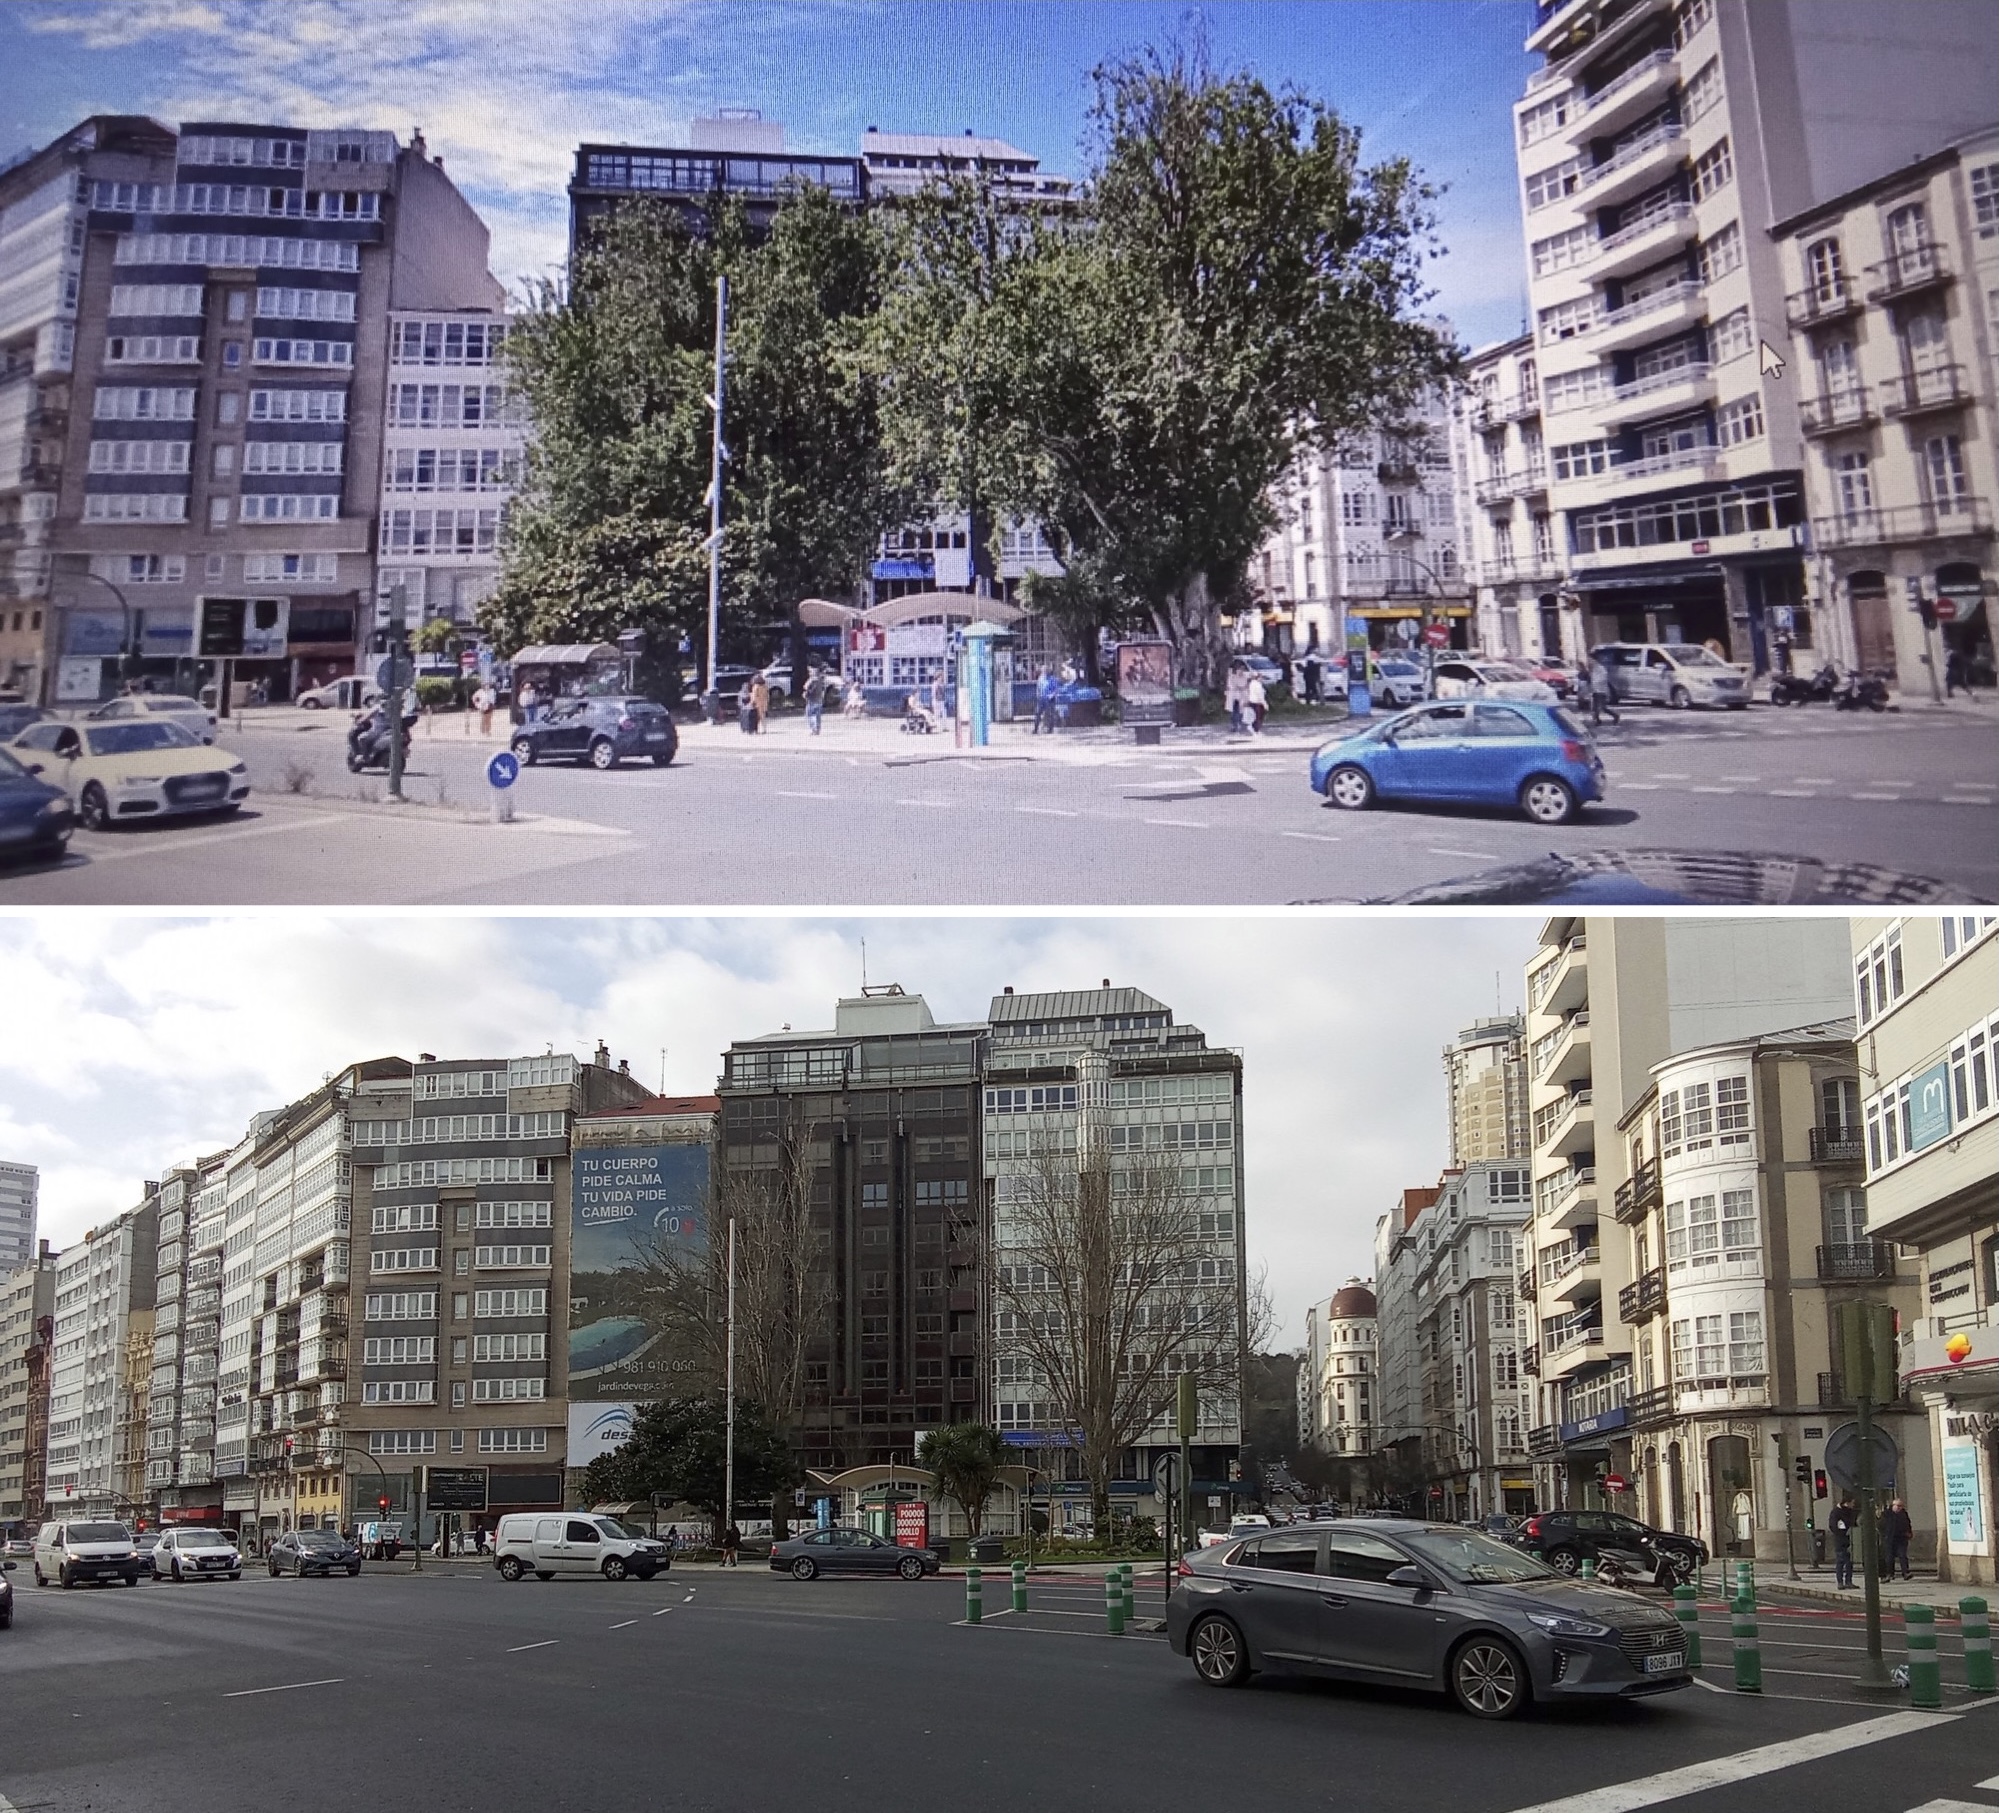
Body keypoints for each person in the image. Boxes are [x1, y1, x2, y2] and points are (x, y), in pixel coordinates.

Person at [1829, 1495, 1858, 1588]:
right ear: (1847, 1502)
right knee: (1841, 1560)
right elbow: (1833, 1526)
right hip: (1840, 1539)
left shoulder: (1851, 1512)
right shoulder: (1836, 1512)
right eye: (1852, 1503)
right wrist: (1841, 1532)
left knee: (1849, 1562)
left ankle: (1848, 1581)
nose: (1853, 1505)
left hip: (1850, 1539)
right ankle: (1840, 1581)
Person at [1881, 1497, 1914, 1580]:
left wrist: (1909, 1533)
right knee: (1889, 1557)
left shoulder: (1903, 1514)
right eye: (1897, 1506)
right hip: (1890, 1538)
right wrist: (1885, 1535)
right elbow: (1881, 1525)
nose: (1899, 1508)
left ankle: (1905, 1572)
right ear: (1893, 1506)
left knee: (1902, 1555)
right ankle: (1890, 1573)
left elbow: (1908, 1524)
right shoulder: (1887, 1514)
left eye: (1901, 1506)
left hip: (1901, 1538)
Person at [1586, 651, 1621, 727]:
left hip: (1601, 690)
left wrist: (1595, 684)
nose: (1589, 661)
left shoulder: (1600, 668)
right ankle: (1597, 721)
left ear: (1594, 659)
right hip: (1595, 690)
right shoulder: (1593, 669)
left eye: (1590, 659)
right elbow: (1592, 679)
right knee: (1594, 707)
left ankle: (1615, 715)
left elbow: (1603, 679)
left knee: (1602, 707)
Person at [1033, 665, 1060, 735]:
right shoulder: (1040, 678)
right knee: (1037, 713)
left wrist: (1051, 696)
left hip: (1050, 699)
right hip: (1041, 699)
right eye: (1043, 670)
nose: (1044, 672)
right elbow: (1038, 688)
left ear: (1048, 671)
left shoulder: (1052, 679)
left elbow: (1056, 690)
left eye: (1046, 670)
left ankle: (1050, 729)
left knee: (1050, 714)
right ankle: (1035, 729)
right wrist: (1038, 695)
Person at [803, 666, 828, 735]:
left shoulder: (812, 680)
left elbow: (806, 688)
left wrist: (806, 694)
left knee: (810, 715)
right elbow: (823, 689)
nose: (809, 673)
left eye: (810, 672)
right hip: (819, 700)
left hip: (812, 700)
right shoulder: (821, 680)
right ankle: (818, 729)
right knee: (817, 716)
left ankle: (813, 729)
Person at [1246, 669, 1268, 734]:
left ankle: (1255, 729)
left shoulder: (1252, 683)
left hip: (1252, 701)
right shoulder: (1258, 685)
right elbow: (1260, 695)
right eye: (1261, 677)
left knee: (1255, 716)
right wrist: (1265, 704)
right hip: (1258, 702)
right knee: (1258, 717)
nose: (1262, 679)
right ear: (1257, 678)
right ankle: (1255, 729)